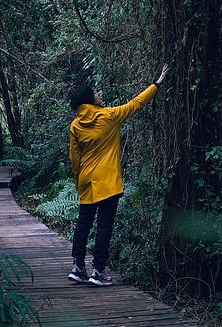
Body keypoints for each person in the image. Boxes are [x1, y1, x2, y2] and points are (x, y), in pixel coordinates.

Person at [67, 64, 169, 286]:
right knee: (104, 225)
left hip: (86, 180)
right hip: (107, 181)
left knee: (83, 223)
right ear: (89, 99)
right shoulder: (109, 116)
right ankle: (99, 271)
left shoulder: (76, 125)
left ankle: (78, 267)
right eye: (95, 92)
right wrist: (156, 84)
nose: (98, 94)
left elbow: (75, 159)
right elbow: (136, 104)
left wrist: (79, 183)